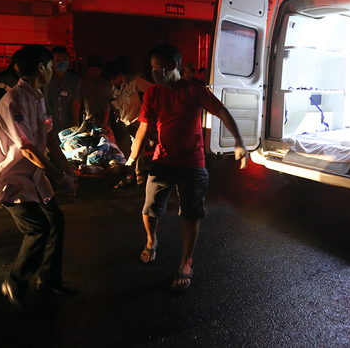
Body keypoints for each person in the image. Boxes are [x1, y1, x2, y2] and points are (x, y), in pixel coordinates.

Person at [126, 43, 247, 292]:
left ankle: (186, 261)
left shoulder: (194, 90)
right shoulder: (152, 94)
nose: (154, 73)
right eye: (152, 68)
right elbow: (143, 129)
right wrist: (131, 160)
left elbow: (221, 111)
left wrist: (239, 142)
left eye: (157, 67)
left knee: (191, 214)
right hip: (162, 161)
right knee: (150, 209)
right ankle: (151, 240)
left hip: (192, 163)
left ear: (173, 66)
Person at [0, 44, 79, 308]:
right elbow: (26, 148)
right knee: (37, 228)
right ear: (41, 67)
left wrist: (66, 167)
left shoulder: (36, 96)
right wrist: (60, 177)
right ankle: (15, 281)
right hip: (14, 180)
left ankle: (50, 278)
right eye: (52, 66)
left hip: (35, 178)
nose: (54, 70)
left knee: (55, 220)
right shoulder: (14, 101)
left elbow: (48, 134)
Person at [105, 61, 153, 186]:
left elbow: (153, 90)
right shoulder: (112, 88)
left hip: (137, 121)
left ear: (120, 75)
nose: (112, 82)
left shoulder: (134, 82)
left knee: (138, 149)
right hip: (122, 122)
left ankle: (138, 171)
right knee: (124, 150)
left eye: (114, 79)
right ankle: (126, 176)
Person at [43, 46, 82, 132]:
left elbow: (76, 101)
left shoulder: (74, 79)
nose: (62, 62)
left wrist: (75, 122)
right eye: (59, 59)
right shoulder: (46, 78)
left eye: (65, 59)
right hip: (49, 123)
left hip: (67, 123)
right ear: (52, 62)